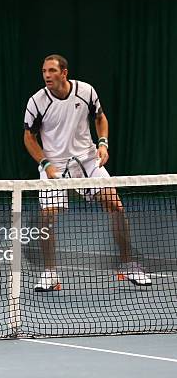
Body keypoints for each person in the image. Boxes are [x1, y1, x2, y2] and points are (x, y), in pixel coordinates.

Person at [23, 54, 151, 292]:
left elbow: (100, 118)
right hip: (54, 164)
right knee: (47, 216)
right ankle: (50, 273)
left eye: (51, 71)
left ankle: (128, 264)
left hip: (87, 160)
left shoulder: (86, 91)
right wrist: (44, 164)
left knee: (115, 205)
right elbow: (28, 136)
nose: (46, 76)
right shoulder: (37, 102)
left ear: (64, 73)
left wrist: (103, 143)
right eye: (43, 71)